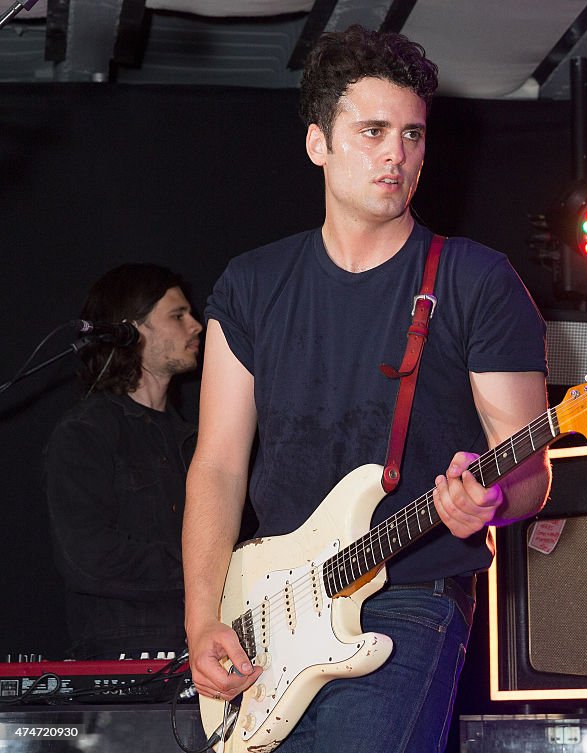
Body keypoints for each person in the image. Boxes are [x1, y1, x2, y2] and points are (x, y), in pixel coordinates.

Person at [182, 24, 551, 753]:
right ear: (318, 142)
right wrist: (202, 617)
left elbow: (532, 470)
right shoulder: (251, 286)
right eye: (374, 130)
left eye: (413, 134)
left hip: (409, 597)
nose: (397, 153)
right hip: (269, 606)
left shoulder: (476, 281)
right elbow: (218, 464)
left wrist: (491, 499)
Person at [44, 263, 203, 660]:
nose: (197, 326)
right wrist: (203, 570)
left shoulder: (198, 441)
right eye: (178, 315)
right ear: (132, 330)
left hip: (202, 647)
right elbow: (87, 554)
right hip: (126, 650)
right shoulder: (87, 431)